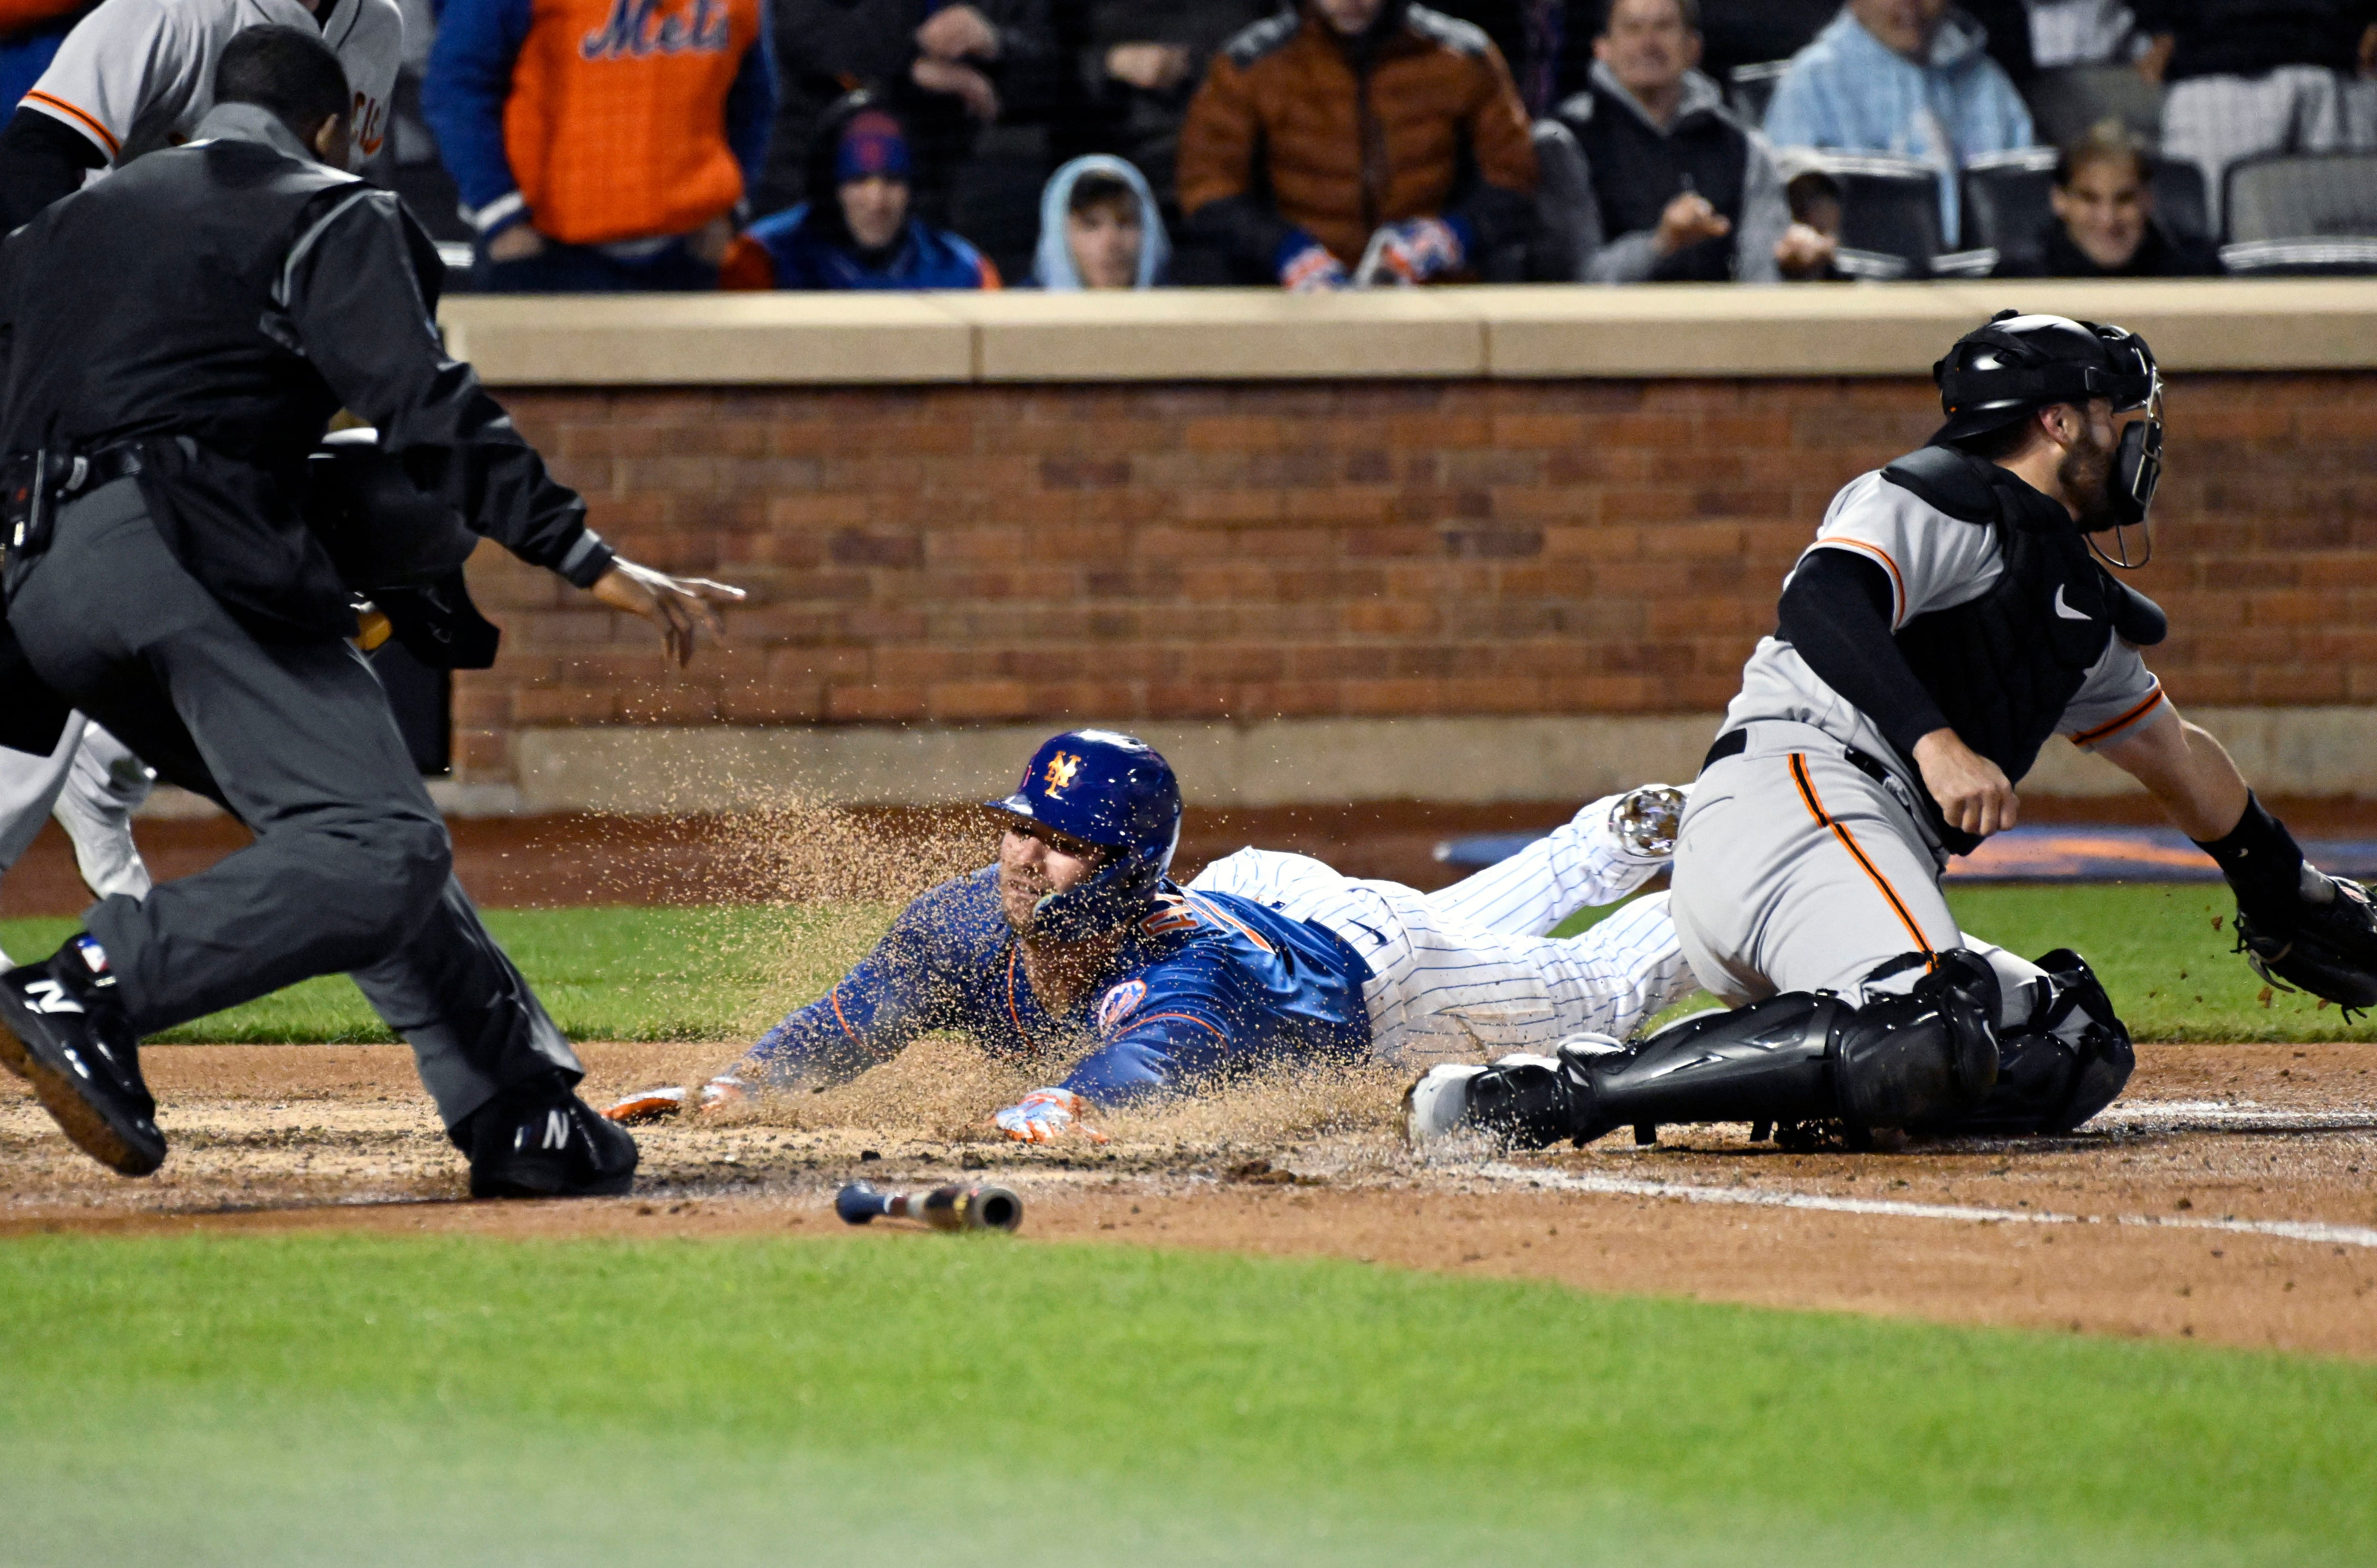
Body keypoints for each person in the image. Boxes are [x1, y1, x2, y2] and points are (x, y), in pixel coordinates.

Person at [0, 27, 747, 1194]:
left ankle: (519, 1111)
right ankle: (90, 982)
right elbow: (424, 405)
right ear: (339, 124)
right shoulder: (330, 206)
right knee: (378, 848)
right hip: (182, 551)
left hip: (38, 588)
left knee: (362, 821)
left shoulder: (56, 230)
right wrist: (582, 554)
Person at [1412, 310, 2377, 1153]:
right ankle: (1537, 1095)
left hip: (1841, 863)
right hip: (1789, 800)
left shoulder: (2068, 602)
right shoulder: (1934, 496)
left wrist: (2280, 880)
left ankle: (1830, 1073)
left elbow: (2174, 753)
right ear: (2058, 420)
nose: (2137, 443)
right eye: (2121, 420)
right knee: (1929, 1021)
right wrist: (1933, 740)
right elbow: (1823, 597)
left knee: (2068, 1041)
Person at [603, 730, 1699, 1141]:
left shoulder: (1190, 974)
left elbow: (1145, 1058)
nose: (1025, 860)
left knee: (1603, 991)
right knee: (1438, 915)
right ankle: (1602, 840)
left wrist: (1063, 1104)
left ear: (1123, 867)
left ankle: (1707, 874)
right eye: (1021, 829)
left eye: (1062, 843)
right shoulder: (964, 921)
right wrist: (740, 1085)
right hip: (1265, 893)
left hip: (1378, 975)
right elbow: (854, 1015)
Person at [1175, 0, 1538, 289]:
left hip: (1435, 295)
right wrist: (1284, 250)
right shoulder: (1248, 65)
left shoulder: (1463, 58)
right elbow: (1207, 187)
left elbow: (1515, 176)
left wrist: (1451, 235)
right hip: (1289, 302)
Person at [421, 0, 773, 291]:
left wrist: (729, 213)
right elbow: (456, 87)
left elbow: (754, 99)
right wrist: (499, 213)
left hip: (683, 252)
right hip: (543, 250)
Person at [0, 0, 401, 230]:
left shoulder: (379, 24)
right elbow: (37, 148)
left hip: (266, 282)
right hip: (133, 263)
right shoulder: (170, 9)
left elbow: (343, 183)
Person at [1547, 0, 1834, 282]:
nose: (1649, 43)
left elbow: (1761, 283)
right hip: (1609, 328)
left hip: (1720, 326)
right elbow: (1576, 279)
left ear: (1693, 47)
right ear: (1602, 48)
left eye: (1664, 27)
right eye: (1633, 28)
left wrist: (1798, 270)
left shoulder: (1744, 148)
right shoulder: (1564, 142)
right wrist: (1659, 245)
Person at [752, 0, 1056, 223]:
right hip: (819, 176)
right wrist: (911, 65)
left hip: (958, 186)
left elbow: (1053, 77)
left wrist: (995, 42)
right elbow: (803, 34)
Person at [1761, 0, 2036, 246]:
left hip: (1983, 286)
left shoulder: (1986, 81)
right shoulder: (1811, 83)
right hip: (1856, 289)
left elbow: (2024, 213)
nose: (1909, 5)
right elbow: (1777, 223)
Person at [2132, 0, 2377, 233]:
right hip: (2210, 63)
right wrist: (2158, 23)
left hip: (2334, 59)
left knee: (2340, 243)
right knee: (2214, 240)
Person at [721, 93, 1000, 289]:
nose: (877, 201)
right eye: (858, 180)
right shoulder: (760, 260)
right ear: (830, 188)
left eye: (892, 181)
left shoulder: (966, 272)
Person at [1077, 0, 1271, 207]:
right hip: (1123, 158)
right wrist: (1110, 61)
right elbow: (1055, 59)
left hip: (1236, 158)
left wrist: (1194, 61)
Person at [1995, 120, 2222, 277]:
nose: (2108, 220)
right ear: (2060, 200)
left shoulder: (2198, 276)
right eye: (2089, 199)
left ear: (2148, 199)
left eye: (2124, 199)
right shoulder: (2016, 285)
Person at [1032, 153, 1169, 287]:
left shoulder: (1184, 305)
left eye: (1125, 222)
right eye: (1091, 225)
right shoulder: (1017, 306)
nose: (1111, 242)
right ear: (1058, 236)